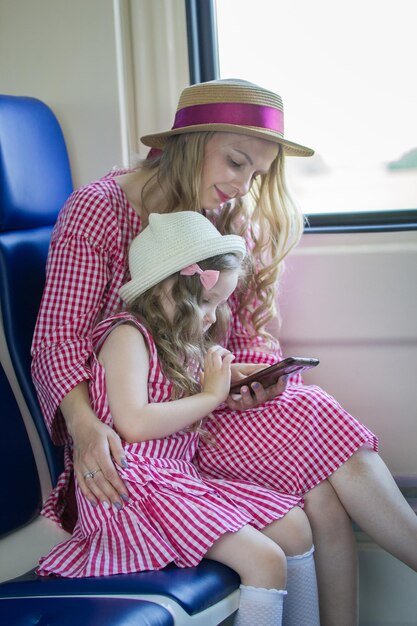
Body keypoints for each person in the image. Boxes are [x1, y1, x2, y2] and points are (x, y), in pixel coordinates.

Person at [31, 79, 417, 626]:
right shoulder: (99, 210)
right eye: (235, 162)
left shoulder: (226, 220)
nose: (241, 185)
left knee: (321, 474)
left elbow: (246, 336)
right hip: (125, 429)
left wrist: (254, 374)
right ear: (191, 142)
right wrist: (85, 425)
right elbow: (57, 339)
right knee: (318, 456)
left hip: (203, 405)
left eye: (255, 174)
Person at [37, 211, 321, 626]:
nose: (210, 317)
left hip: (175, 479)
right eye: (206, 302)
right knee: (265, 560)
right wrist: (210, 396)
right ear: (168, 289)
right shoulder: (126, 337)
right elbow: (133, 423)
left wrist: (226, 383)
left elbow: (180, 402)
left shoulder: (180, 345)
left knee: (295, 526)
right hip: (131, 489)